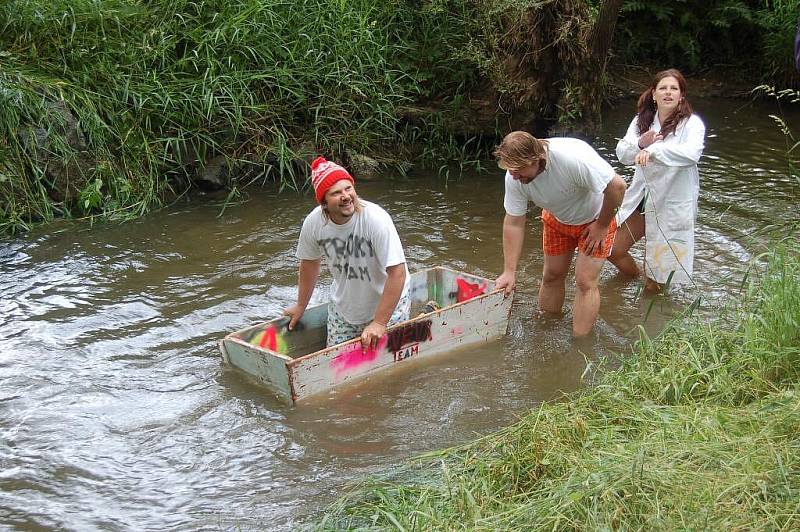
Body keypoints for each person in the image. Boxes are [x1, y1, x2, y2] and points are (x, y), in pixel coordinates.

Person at [493, 131, 627, 336]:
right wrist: (509, 271)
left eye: (519, 169)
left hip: (596, 219)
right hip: (557, 219)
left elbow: (617, 187)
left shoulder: (572, 160)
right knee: (552, 275)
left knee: (585, 281)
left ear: (538, 159)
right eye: (509, 169)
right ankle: (546, 331)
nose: (513, 175)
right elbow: (514, 223)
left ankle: (580, 344)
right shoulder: (514, 178)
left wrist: (601, 226)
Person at [284, 156, 410, 349]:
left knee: (386, 363)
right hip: (345, 307)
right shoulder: (313, 223)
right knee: (335, 365)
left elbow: (397, 273)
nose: (346, 196)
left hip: (388, 303)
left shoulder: (376, 219)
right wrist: (301, 305)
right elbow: (309, 264)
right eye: (336, 193)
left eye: (348, 188)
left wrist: (379, 323)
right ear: (324, 202)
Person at [608, 68, 705, 292]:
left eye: (674, 88)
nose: (668, 92)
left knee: (657, 276)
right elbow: (623, 154)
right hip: (642, 198)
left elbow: (691, 154)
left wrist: (654, 151)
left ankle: (652, 314)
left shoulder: (692, 124)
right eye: (663, 88)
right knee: (612, 249)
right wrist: (641, 145)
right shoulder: (641, 121)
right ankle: (635, 278)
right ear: (654, 94)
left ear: (681, 95)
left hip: (671, 202)